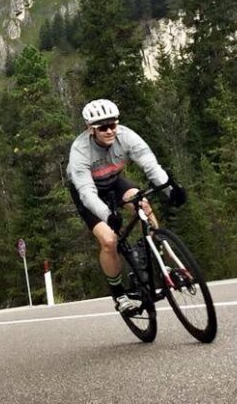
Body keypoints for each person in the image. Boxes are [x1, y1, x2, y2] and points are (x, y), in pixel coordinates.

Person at [66, 98, 185, 314]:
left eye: (113, 124)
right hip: (88, 193)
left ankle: (157, 259)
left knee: (144, 206)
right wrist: (107, 215)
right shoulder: (80, 150)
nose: (110, 130)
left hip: (113, 181)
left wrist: (170, 190)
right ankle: (119, 294)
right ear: (90, 129)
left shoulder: (127, 137)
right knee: (109, 241)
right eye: (103, 127)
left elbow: (151, 166)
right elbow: (86, 193)